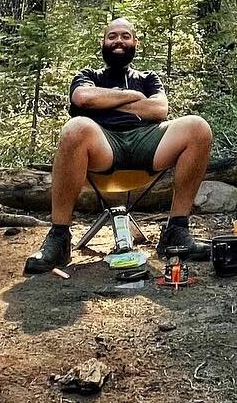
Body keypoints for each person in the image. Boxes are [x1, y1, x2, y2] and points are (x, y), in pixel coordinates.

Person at [24, 15, 213, 275]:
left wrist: (106, 100)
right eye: (112, 36)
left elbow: (159, 109)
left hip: (146, 142)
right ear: (103, 42)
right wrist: (131, 98)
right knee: (76, 127)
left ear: (135, 42)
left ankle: (176, 231)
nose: (119, 41)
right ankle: (59, 238)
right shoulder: (88, 75)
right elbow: (82, 97)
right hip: (103, 143)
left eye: (125, 36)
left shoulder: (148, 78)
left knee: (198, 127)